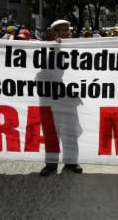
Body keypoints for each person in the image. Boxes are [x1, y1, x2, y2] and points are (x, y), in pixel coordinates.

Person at [40, 19, 83, 176]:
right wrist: (55, 49)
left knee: (70, 132)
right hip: (49, 98)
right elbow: (44, 72)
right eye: (60, 30)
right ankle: (51, 164)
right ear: (52, 33)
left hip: (69, 99)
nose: (65, 33)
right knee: (51, 132)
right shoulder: (44, 49)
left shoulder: (77, 48)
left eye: (67, 29)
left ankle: (71, 162)